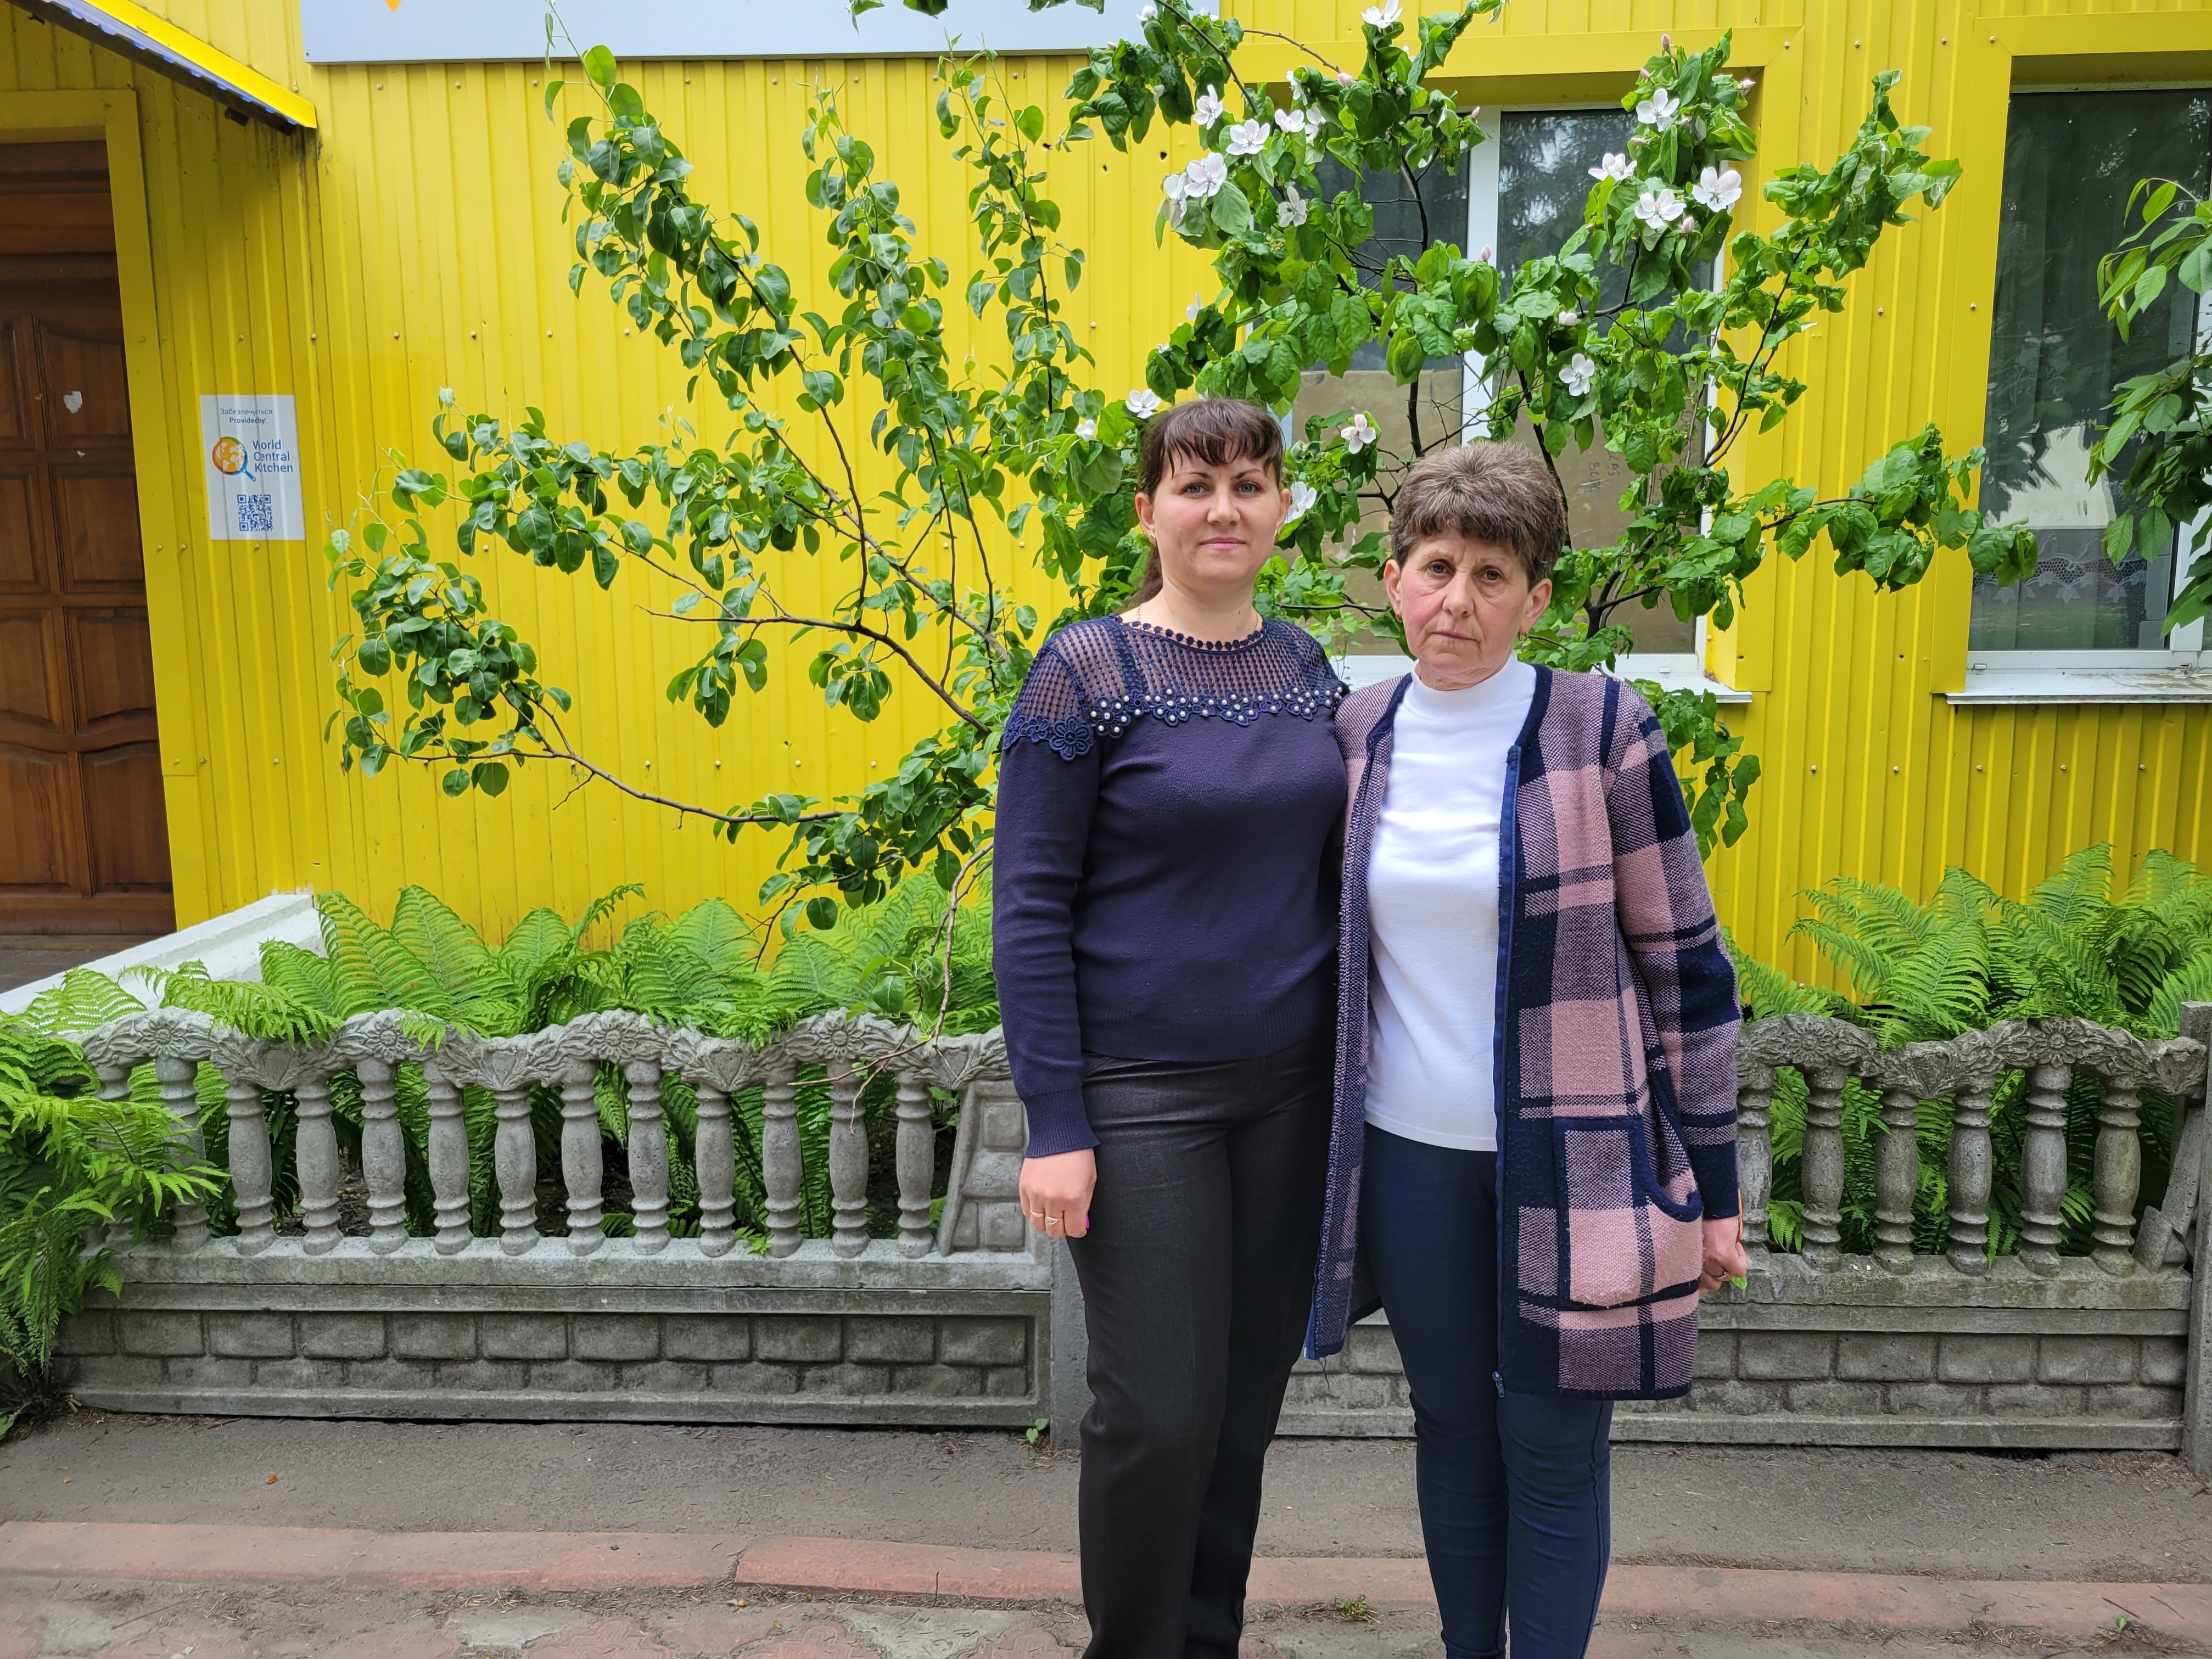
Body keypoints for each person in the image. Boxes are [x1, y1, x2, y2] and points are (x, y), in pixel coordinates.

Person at [1308, 442, 1746, 1659]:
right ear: (1391, 578)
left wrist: (1712, 1190)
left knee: (1550, 1441)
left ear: (1536, 596)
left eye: (1491, 574)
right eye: (1435, 566)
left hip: (1578, 1156)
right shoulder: (1354, 736)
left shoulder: (1600, 727)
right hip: (1411, 1159)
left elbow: (1688, 970)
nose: (1458, 600)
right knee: (1450, 1424)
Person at [992, 397, 1347, 1659]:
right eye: (1194, 486)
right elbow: (1027, 906)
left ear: (1280, 510)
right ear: (1146, 512)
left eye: (1248, 485)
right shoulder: (1084, 669)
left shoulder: (1307, 670)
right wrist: (1055, 1119)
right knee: (1155, 1407)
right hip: (1139, 1093)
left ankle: (1206, 1642)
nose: (1223, 509)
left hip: (1290, 1088)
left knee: (1240, 1405)